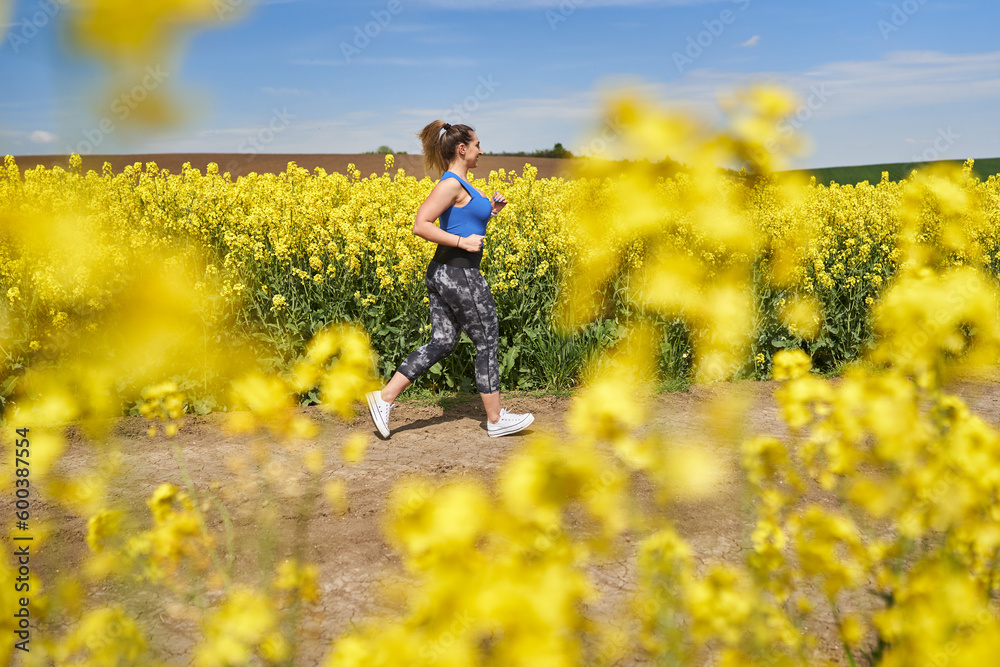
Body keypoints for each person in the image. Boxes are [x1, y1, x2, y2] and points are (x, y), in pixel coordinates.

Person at [366, 121, 534, 438]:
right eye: (477, 145)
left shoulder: (462, 183)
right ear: (462, 149)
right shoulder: (451, 184)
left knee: (442, 342)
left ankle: (384, 397)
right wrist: (462, 243)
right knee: (487, 339)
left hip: (443, 272)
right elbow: (421, 224)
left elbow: (462, 219)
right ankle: (496, 419)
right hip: (459, 272)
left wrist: (492, 211)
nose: (481, 151)